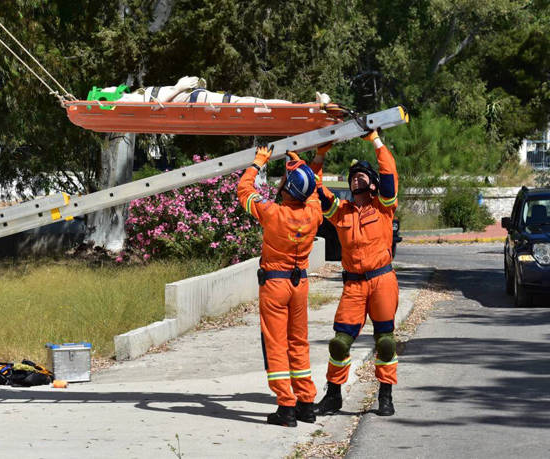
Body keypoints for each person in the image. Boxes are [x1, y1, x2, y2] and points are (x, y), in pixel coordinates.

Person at [313, 128, 400, 417]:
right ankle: (334, 396)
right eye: (353, 176)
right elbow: (315, 188)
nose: (357, 177)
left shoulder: (384, 207)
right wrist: (320, 154)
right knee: (339, 343)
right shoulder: (341, 212)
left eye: (363, 175)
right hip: (353, 285)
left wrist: (376, 141)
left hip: (382, 281)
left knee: (385, 343)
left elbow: (389, 174)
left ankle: (385, 395)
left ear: (372, 185)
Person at [237, 144, 323, 427]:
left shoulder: (272, 212)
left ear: (287, 189)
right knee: (298, 343)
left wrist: (257, 162)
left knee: (276, 345)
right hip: (300, 285)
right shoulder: (313, 213)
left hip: (275, 285)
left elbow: (244, 191)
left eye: (285, 180)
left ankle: (286, 408)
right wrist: (301, 163)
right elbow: (313, 189)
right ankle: (306, 403)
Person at [92, 76, 332, 108]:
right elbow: (153, 108)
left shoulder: (132, 95)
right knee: (254, 103)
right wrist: (179, 86)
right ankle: (308, 106)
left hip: (200, 96)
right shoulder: (127, 103)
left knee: (254, 101)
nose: (107, 85)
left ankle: (308, 105)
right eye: (104, 89)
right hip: (198, 100)